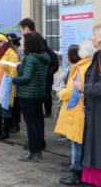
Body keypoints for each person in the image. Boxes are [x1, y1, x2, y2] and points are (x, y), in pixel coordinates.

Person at [55, 39, 96, 185]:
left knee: (77, 144)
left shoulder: (81, 68)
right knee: (78, 143)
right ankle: (78, 170)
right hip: (80, 110)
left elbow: (72, 89)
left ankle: (77, 173)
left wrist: (60, 93)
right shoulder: (89, 65)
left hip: (76, 111)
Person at [12, 32, 50, 162]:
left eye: (25, 42)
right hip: (38, 93)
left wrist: (12, 79)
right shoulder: (43, 56)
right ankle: (38, 150)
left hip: (28, 94)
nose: (23, 44)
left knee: (31, 124)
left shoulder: (31, 58)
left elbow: (26, 78)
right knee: (38, 121)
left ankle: (33, 152)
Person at [73, 24, 101, 187]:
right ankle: (90, 179)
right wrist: (86, 100)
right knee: (92, 146)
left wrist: (85, 88)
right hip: (94, 108)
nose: (92, 38)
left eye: (95, 35)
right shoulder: (97, 55)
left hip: (98, 110)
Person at [18, 18, 59, 117]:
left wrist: (47, 73)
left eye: (21, 30)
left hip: (45, 73)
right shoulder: (33, 38)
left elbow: (50, 58)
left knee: (45, 93)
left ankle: (47, 111)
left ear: (27, 29)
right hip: (40, 73)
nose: (21, 33)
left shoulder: (37, 40)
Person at [7, 33, 24, 133]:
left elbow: (22, 62)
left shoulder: (20, 49)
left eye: (10, 40)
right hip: (7, 79)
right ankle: (9, 123)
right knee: (8, 104)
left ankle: (15, 124)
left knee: (16, 105)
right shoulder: (5, 50)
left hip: (16, 79)